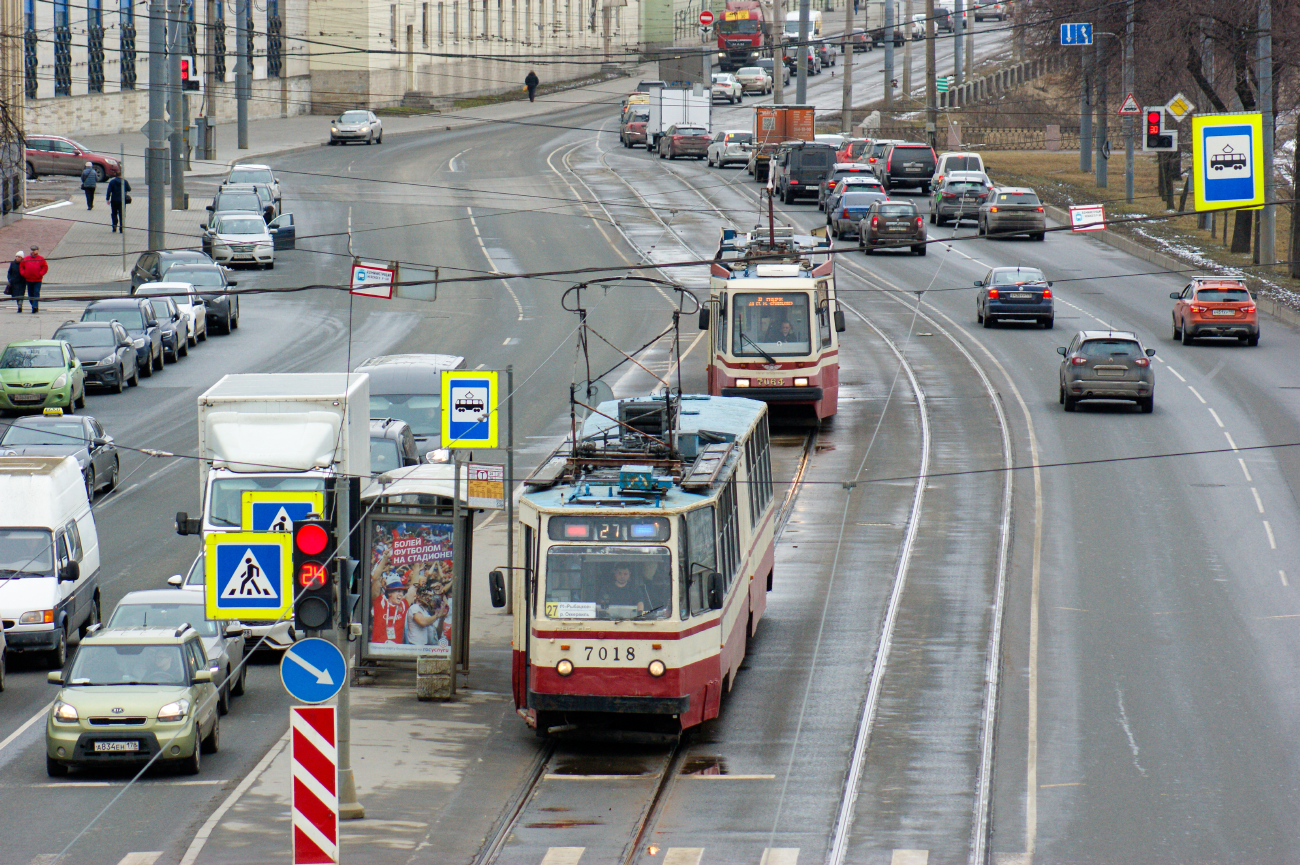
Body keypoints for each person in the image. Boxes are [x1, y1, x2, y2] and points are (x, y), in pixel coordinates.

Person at [372, 577, 409, 644]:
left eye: (402, 592)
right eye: (398, 591)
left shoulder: (403, 604)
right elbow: (376, 578)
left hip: (395, 649)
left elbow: (414, 586)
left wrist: (416, 567)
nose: (401, 594)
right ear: (389, 593)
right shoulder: (380, 603)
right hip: (378, 648)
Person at [18, 245, 47, 314]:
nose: (32, 251)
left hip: (37, 280)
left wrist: (40, 274)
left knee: (36, 293)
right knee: (30, 294)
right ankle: (34, 306)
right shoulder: (26, 258)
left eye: (34, 250)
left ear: (37, 251)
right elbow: (21, 267)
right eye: (32, 250)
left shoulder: (41, 259)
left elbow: (45, 267)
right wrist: (24, 274)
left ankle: (34, 306)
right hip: (29, 279)